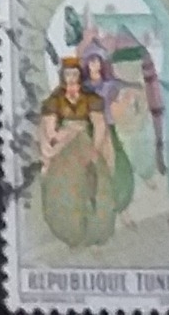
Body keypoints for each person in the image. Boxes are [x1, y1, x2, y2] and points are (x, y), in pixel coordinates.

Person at [36, 58, 122, 249]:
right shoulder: (55, 99)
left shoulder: (89, 98)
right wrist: (62, 136)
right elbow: (50, 128)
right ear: (62, 76)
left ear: (80, 76)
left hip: (85, 143)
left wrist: (95, 149)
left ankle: (96, 233)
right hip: (65, 146)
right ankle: (71, 234)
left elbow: (99, 125)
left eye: (74, 74)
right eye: (68, 74)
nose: (71, 78)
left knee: (95, 186)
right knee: (66, 189)